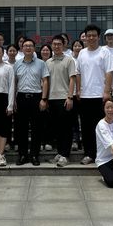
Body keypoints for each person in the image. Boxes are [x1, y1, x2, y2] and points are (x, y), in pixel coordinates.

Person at [76, 24, 113, 165]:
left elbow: (109, 72)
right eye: (89, 36)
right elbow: (78, 73)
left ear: (99, 37)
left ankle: (103, 154)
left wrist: (106, 91)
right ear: (85, 37)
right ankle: (89, 154)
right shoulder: (82, 53)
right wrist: (78, 90)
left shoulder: (104, 52)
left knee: (102, 127)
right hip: (85, 96)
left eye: (94, 35)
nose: (91, 38)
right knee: (86, 127)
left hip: (100, 96)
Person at [14, 38, 50, 166]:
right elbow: (14, 83)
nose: (28, 48)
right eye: (26, 46)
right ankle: (23, 155)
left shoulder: (41, 63)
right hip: (21, 98)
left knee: (36, 128)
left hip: (36, 98)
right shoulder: (17, 64)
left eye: (30, 46)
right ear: (22, 48)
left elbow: (45, 81)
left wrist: (44, 99)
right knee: (21, 128)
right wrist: (13, 100)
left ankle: (34, 155)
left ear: (34, 49)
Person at [46, 35, 77, 167]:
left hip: (64, 99)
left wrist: (70, 97)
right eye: (54, 44)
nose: (56, 46)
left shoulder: (69, 60)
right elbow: (46, 81)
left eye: (59, 44)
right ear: (51, 46)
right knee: (56, 128)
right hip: (51, 99)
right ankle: (59, 152)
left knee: (66, 128)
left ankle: (65, 155)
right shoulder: (48, 62)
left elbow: (72, 79)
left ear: (64, 45)